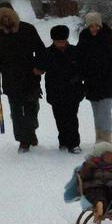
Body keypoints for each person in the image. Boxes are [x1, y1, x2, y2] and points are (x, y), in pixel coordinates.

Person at [0, 2, 46, 153]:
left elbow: (41, 50)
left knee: (31, 109)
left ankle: (30, 131)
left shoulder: (27, 29)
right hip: (10, 79)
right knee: (16, 112)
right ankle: (23, 140)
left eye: (8, 16)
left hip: (30, 77)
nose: (6, 20)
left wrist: (39, 68)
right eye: (2, 17)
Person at [77, 12, 112, 143]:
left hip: (108, 82)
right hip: (91, 83)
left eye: (96, 25)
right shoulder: (83, 41)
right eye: (91, 26)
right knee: (97, 113)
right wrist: (79, 79)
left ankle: (106, 140)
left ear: (100, 25)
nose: (94, 28)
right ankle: (99, 139)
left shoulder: (109, 40)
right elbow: (79, 62)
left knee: (105, 113)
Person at [43, 25, 84, 154]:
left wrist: (77, 78)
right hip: (55, 91)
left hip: (73, 91)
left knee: (72, 117)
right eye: (58, 41)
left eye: (63, 41)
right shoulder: (47, 53)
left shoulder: (75, 51)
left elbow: (83, 69)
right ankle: (63, 141)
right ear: (53, 40)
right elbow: (40, 68)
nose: (61, 44)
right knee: (59, 117)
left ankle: (74, 143)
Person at [77, 142, 112, 220]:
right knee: (98, 194)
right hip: (96, 186)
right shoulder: (91, 165)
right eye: (106, 155)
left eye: (111, 155)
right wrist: (88, 170)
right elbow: (84, 176)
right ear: (99, 156)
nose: (109, 157)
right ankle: (101, 207)